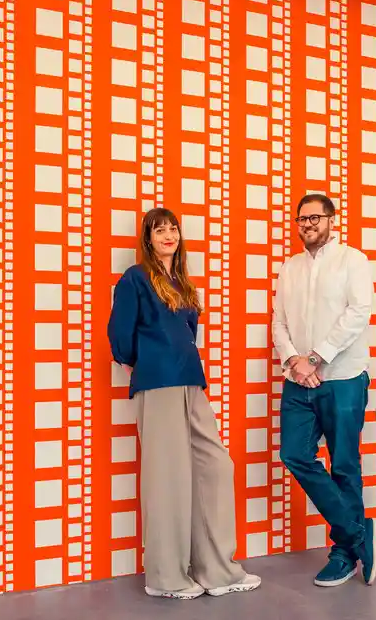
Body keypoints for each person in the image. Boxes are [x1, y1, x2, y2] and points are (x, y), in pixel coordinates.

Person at [107, 207, 261, 600]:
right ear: (148, 238)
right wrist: (137, 361)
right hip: (158, 383)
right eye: (159, 230)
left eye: (173, 228)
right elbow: (119, 333)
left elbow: (189, 331)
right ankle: (165, 577)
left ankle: (216, 570)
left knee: (215, 466)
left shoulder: (184, 284)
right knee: (168, 478)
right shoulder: (135, 278)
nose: (168, 235)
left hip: (191, 380)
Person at [272, 193, 376, 588]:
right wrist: (294, 361)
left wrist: (316, 358)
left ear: (332, 219)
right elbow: (279, 322)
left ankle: (343, 553)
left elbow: (358, 313)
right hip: (298, 380)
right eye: (301, 219)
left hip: (344, 378)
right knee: (294, 454)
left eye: (314, 217)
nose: (307, 225)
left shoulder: (353, 260)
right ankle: (358, 533)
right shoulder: (290, 268)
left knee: (344, 464)